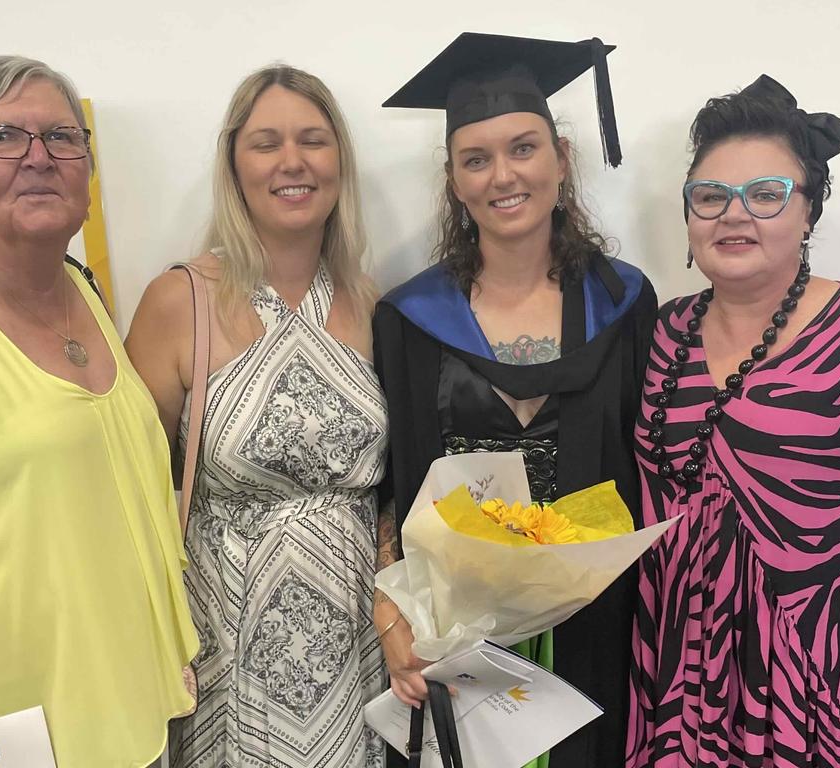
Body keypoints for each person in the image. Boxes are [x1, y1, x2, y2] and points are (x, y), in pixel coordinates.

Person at [627, 74, 840, 768]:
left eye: (766, 195)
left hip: (832, 696)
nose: (734, 216)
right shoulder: (664, 334)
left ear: (808, 213)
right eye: (709, 197)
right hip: (683, 691)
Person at [374, 33, 657, 767]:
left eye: (523, 148)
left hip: (595, 629)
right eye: (476, 158)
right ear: (454, 181)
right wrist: (391, 615)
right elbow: (393, 483)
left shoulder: (623, 303)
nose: (504, 174)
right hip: (458, 634)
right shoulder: (410, 319)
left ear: (561, 158)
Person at [0, 56, 198, 768]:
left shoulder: (82, 289)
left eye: (63, 138)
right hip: (2, 736)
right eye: (2, 137)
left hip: (123, 713)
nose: (39, 158)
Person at [126, 65, 388, 767]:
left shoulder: (371, 302)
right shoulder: (178, 301)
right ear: (234, 165)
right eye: (266, 143)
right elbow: (134, 492)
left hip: (356, 632)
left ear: (340, 162)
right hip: (226, 634)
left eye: (314, 140)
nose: (293, 162)